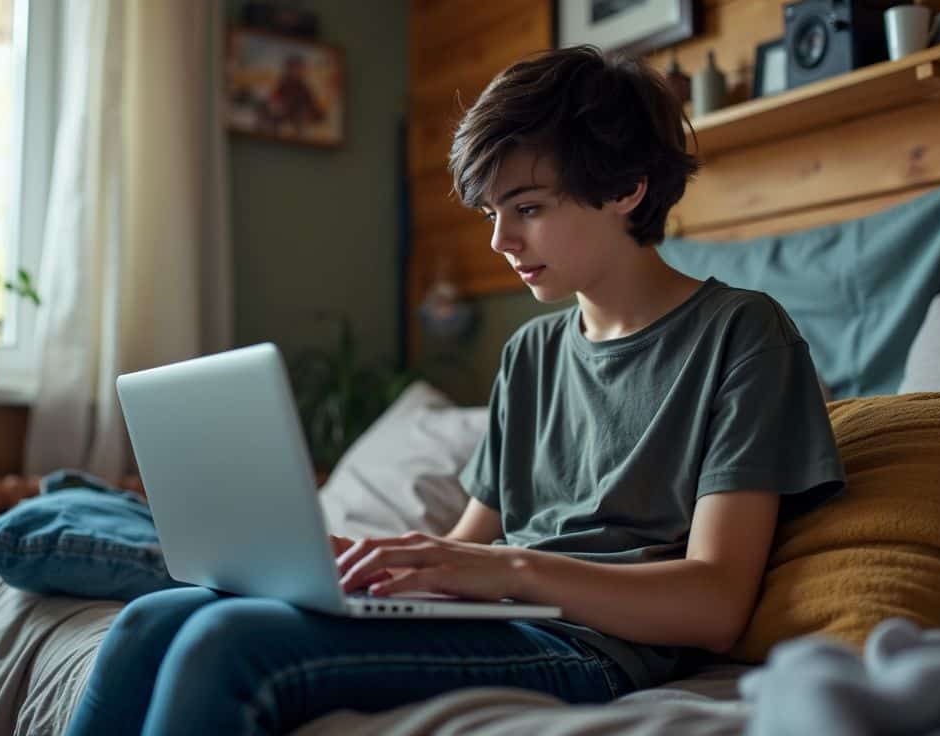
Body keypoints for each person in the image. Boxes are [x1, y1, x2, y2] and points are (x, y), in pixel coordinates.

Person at [64, 46, 844, 736]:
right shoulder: (533, 351)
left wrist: (508, 571)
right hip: (505, 614)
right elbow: (473, 542)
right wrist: (371, 563)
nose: (501, 242)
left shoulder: (743, 334)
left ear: (627, 190)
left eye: (528, 209)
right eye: (493, 213)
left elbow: (714, 604)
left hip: (592, 648)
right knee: (152, 620)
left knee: (223, 646)